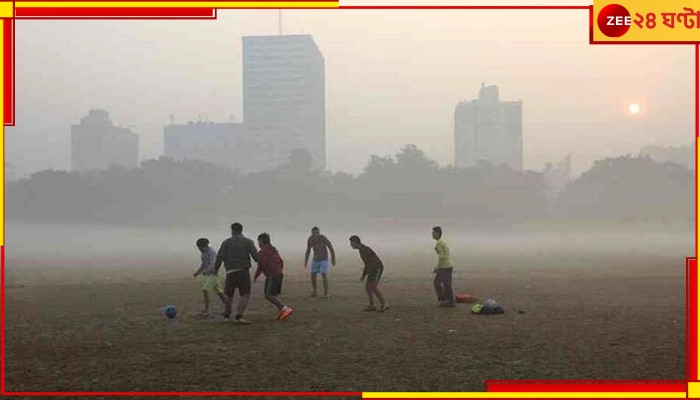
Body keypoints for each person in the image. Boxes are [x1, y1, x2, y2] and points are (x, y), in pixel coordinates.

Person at [214, 223, 259, 324]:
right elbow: (256, 257)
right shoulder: (248, 242)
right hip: (243, 271)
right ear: (241, 230)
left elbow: (219, 257)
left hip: (230, 271)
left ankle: (226, 317)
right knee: (245, 294)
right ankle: (239, 317)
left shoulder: (226, 242)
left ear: (232, 230)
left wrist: (215, 270)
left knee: (229, 295)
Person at [254, 233, 293, 320]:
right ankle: (282, 310)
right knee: (274, 294)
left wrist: (256, 275)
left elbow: (262, 265)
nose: (258, 244)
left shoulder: (263, 251)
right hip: (278, 273)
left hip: (272, 274)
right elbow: (281, 261)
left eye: (259, 242)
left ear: (262, 241)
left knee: (268, 295)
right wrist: (279, 270)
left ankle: (284, 308)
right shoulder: (274, 250)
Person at [350, 235, 388, 312]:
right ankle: (371, 305)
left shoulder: (364, 250)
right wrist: (365, 274)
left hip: (377, 268)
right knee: (368, 286)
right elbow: (367, 264)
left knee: (373, 286)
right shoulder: (362, 249)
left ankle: (384, 303)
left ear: (356, 242)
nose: (351, 245)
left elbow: (369, 263)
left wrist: (364, 275)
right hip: (372, 268)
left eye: (352, 243)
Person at [192, 238, 226, 317]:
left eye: (199, 247)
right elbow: (203, 264)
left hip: (213, 274)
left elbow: (213, 263)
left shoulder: (211, 252)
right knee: (219, 292)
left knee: (205, 289)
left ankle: (206, 311)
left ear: (203, 246)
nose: (199, 249)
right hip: (209, 275)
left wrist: (206, 271)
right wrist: (197, 272)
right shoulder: (203, 253)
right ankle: (228, 308)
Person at [304, 226, 336, 298]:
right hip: (315, 259)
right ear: (312, 233)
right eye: (314, 233)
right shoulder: (310, 239)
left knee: (323, 274)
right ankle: (314, 291)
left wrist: (333, 258)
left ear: (319, 232)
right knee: (313, 275)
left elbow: (330, 247)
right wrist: (306, 260)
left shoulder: (323, 238)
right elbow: (308, 250)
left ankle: (326, 292)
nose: (316, 234)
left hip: (324, 259)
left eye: (317, 233)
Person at [432, 226, 455, 307]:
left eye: (433, 232)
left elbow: (441, 257)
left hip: (444, 266)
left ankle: (443, 300)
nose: (432, 234)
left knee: (437, 282)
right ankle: (450, 301)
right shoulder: (442, 242)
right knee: (447, 284)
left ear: (438, 233)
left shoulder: (439, 243)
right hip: (449, 265)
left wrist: (437, 267)